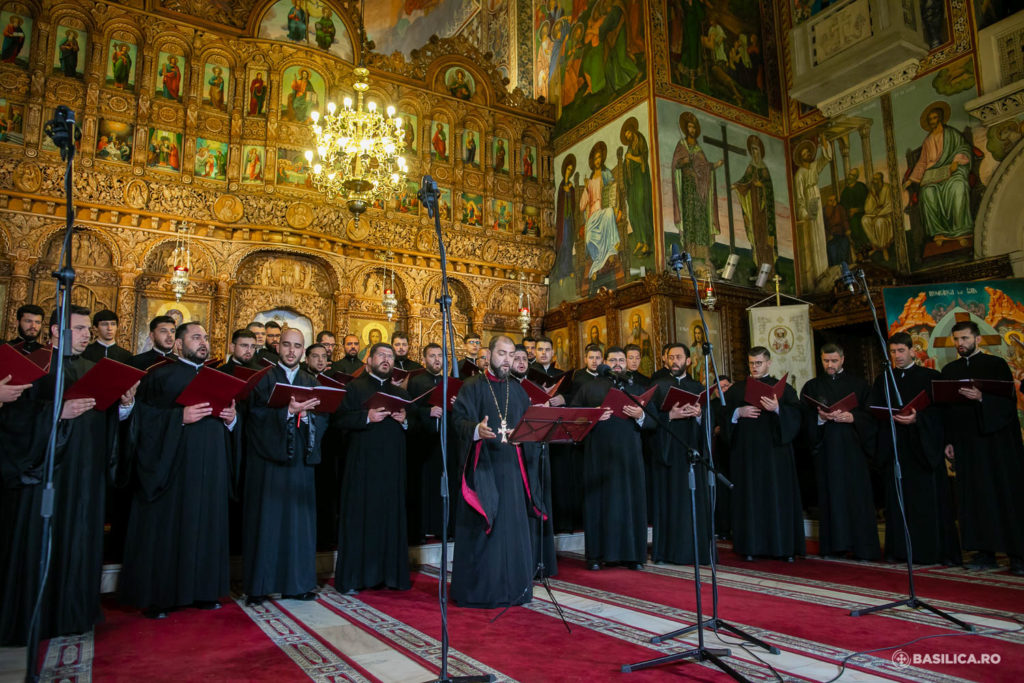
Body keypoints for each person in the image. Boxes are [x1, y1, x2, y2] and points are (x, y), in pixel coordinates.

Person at [0, 306, 135, 645]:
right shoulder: (36, 367)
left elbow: (106, 421)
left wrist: (124, 406)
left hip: (85, 474)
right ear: (56, 331)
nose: (88, 334)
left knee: (79, 540)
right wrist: (57, 413)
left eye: (88, 328)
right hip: (46, 478)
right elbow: (12, 420)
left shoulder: (93, 369)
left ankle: (74, 613)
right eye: (80, 328)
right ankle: (37, 616)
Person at [119, 323, 240, 618]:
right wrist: (179, 418)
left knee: (207, 525)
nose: (203, 343)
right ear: (179, 344)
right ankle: (161, 598)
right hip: (173, 467)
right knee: (169, 528)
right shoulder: (159, 375)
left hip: (211, 466)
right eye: (196, 337)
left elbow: (232, 420)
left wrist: (232, 419)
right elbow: (141, 417)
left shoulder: (219, 378)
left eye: (205, 338)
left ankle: (204, 591)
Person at [451, 336, 544, 607]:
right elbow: (457, 421)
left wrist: (524, 437)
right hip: (483, 468)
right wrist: (476, 430)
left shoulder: (518, 391)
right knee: (485, 532)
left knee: (512, 531)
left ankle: (515, 589)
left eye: (511, 355)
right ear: (489, 354)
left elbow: (529, 428)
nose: (507, 360)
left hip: (512, 471)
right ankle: (483, 592)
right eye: (502, 353)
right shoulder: (472, 386)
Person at [243, 329, 326, 604]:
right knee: (266, 522)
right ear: (277, 347)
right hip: (268, 464)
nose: (292, 351)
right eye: (287, 345)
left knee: (298, 524)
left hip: (300, 463)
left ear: (303, 350)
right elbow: (253, 418)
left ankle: (297, 584)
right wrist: (287, 413)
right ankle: (259, 587)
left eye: (297, 346)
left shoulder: (311, 381)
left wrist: (309, 416)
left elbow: (323, 420)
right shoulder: (262, 378)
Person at [940, 320, 1024, 574]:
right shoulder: (950, 370)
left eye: (965, 338)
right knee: (973, 497)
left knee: (1004, 495)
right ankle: (983, 553)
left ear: (977, 339)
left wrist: (982, 397)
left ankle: (1017, 555)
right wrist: (948, 440)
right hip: (966, 445)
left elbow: (1009, 403)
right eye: (957, 339)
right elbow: (946, 410)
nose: (960, 343)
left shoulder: (995, 365)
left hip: (996, 446)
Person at [870, 333, 960, 566]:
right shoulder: (883, 380)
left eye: (901, 351)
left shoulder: (930, 377)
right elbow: (874, 411)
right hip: (896, 448)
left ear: (912, 351)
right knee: (899, 502)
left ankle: (933, 552)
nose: (897, 356)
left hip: (923, 449)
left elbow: (942, 413)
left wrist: (918, 419)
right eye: (893, 352)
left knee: (927, 503)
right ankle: (899, 551)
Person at [333, 343, 412, 593]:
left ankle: (390, 576)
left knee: (390, 519)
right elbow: (338, 421)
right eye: (381, 355)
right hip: (363, 469)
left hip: (392, 469)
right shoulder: (353, 388)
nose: (386, 360)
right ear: (369, 360)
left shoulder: (400, 393)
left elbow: (417, 428)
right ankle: (355, 578)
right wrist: (366, 417)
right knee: (360, 520)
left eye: (390, 356)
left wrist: (405, 420)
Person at [800, 343, 880, 560]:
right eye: (826, 361)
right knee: (831, 497)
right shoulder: (812, 386)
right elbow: (803, 418)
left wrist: (853, 417)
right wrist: (819, 418)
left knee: (857, 498)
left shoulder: (859, 385)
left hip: (853, 452)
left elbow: (872, 417)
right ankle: (834, 546)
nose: (830, 365)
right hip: (826, 452)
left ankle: (862, 548)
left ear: (842, 359)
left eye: (834, 361)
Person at [572, 346, 648, 570]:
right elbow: (572, 416)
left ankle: (633, 556)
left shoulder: (636, 388)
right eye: (612, 360)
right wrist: (593, 414)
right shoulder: (589, 387)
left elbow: (653, 421)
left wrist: (641, 415)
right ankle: (596, 556)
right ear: (605, 362)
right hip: (599, 454)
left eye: (621, 360)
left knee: (629, 503)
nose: (617, 364)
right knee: (599, 503)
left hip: (629, 456)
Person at [724, 347, 804, 561]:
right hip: (747, 455)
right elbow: (721, 416)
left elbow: (796, 417)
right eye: (751, 363)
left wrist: (777, 409)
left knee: (778, 498)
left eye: (758, 363)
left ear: (768, 363)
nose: (754, 367)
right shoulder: (736, 390)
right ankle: (751, 546)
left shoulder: (784, 389)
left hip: (775, 455)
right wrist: (737, 412)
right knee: (750, 498)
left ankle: (783, 548)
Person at [649, 343, 712, 565]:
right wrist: (669, 416)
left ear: (688, 361)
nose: (674, 361)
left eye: (679, 357)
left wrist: (699, 414)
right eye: (670, 357)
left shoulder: (697, 387)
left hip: (691, 451)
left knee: (693, 501)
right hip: (667, 453)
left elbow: (709, 422)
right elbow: (648, 419)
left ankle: (696, 552)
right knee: (670, 501)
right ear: (665, 360)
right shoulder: (657, 386)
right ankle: (666, 552)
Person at [903, 104, 973, 244]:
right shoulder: (928, 141)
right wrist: (911, 180)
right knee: (927, 192)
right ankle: (939, 232)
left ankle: (960, 231)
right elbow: (922, 162)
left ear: (940, 118)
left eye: (934, 118)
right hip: (934, 175)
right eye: (930, 119)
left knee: (958, 186)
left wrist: (956, 160)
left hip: (952, 171)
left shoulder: (951, 134)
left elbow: (964, 148)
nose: (932, 121)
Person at [407, 343, 455, 543]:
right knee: (425, 484)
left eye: (440, 356)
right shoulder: (416, 381)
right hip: (424, 442)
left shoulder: (450, 382)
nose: (437, 360)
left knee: (446, 483)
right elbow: (408, 409)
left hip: (447, 439)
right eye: (432, 356)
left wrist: (455, 404)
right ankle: (424, 527)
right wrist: (428, 411)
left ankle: (444, 526)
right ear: (424, 359)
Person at [672, 112, 722, 261]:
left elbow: (703, 166)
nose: (692, 130)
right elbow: (676, 164)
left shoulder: (698, 149)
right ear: (686, 129)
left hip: (699, 189)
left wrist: (714, 165)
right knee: (689, 218)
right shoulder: (682, 145)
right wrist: (684, 161)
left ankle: (703, 253)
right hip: (687, 187)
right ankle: (690, 252)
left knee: (700, 218)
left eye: (694, 127)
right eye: (689, 127)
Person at [733, 135, 777, 273]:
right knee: (757, 237)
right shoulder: (750, 168)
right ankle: (760, 266)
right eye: (752, 150)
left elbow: (769, 189)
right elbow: (744, 181)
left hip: (764, 211)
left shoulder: (764, 169)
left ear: (760, 151)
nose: (754, 152)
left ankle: (770, 268)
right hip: (754, 210)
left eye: (756, 149)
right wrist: (736, 185)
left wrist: (761, 185)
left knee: (766, 238)